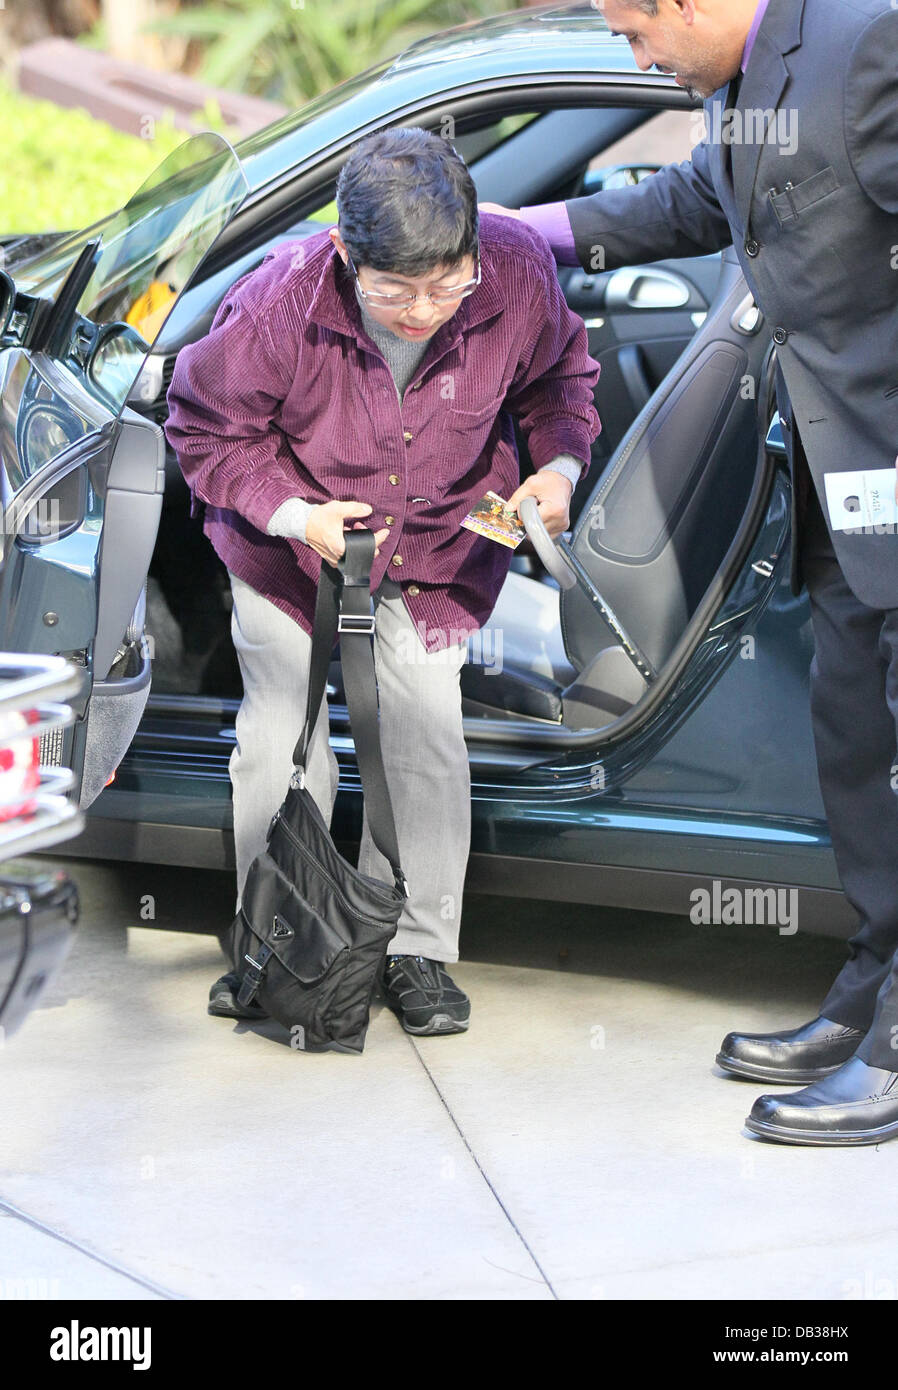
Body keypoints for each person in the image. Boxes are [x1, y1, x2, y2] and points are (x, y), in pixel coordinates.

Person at [485, 0, 898, 1144]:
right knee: (858, 739)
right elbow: (688, 203)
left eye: (635, 32)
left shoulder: (871, 43)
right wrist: (519, 232)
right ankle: (867, 995)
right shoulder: (742, 86)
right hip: (842, 486)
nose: (638, 57)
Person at [163, 127, 601, 1037]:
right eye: (394, 289)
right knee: (281, 741)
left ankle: (418, 950)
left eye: (447, 286)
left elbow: (560, 381)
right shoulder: (281, 302)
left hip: (442, 550)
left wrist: (557, 469)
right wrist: (293, 514)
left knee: (426, 741)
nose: (423, 311)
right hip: (292, 553)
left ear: (477, 248)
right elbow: (204, 428)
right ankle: (279, 939)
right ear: (343, 253)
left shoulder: (515, 271)